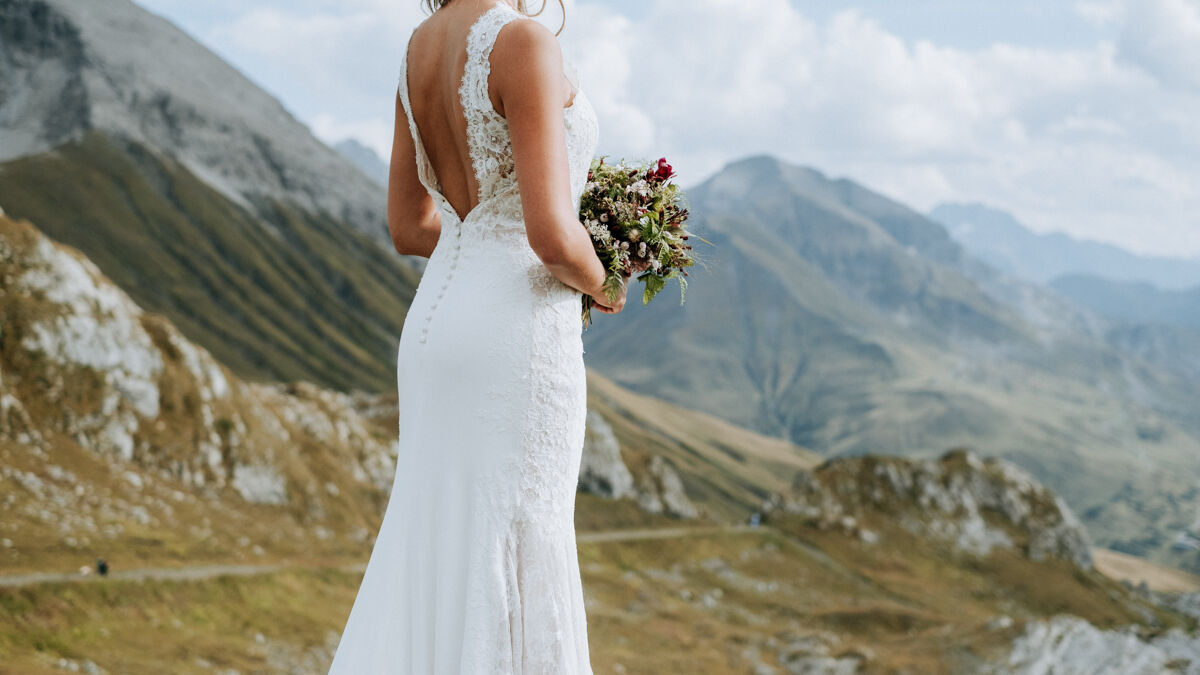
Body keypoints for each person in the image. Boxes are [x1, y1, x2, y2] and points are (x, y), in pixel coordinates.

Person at [328, 0, 621, 672]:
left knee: (438, 533)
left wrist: (483, 239)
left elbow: (409, 226)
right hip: (512, 335)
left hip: (436, 325)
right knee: (521, 533)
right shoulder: (523, 43)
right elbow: (552, 237)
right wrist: (607, 282)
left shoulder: (416, 50)